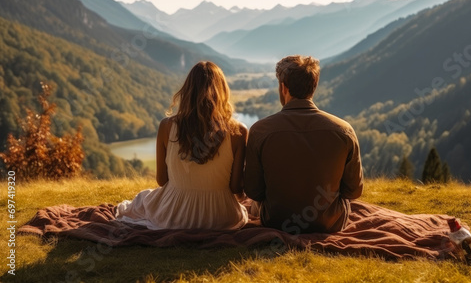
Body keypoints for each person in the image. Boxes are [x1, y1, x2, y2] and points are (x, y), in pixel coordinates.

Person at [115, 61, 248, 230]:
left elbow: (162, 181)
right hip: (222, 217)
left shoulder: (167, 126)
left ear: (187, 91)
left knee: (142, 200)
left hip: (174, 216)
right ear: (222, 92)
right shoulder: (238, 131)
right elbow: (236, 187)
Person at [244, 55, 363, 234]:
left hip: (276, 222)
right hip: (330, 224)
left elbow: (253, 191)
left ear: (283, 88)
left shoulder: (260, 131)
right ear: (313, 87)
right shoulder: (343, 131)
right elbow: (353, 191)